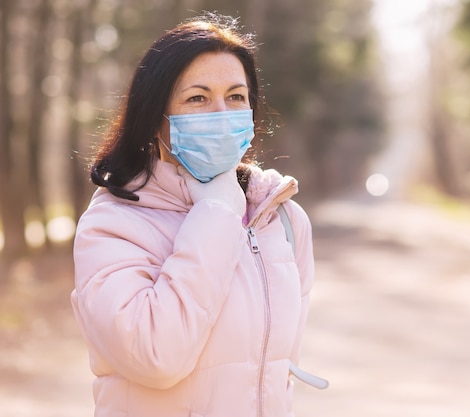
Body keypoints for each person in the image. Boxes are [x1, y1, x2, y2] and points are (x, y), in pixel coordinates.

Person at [71, 12, 326, 417]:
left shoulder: (284, 220)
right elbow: (154, 357)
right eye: (198, 98)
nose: (221, 113)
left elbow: (275, 372)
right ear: (156, 117)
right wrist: (216, 212)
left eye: (236, 97)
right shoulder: (114, 224)